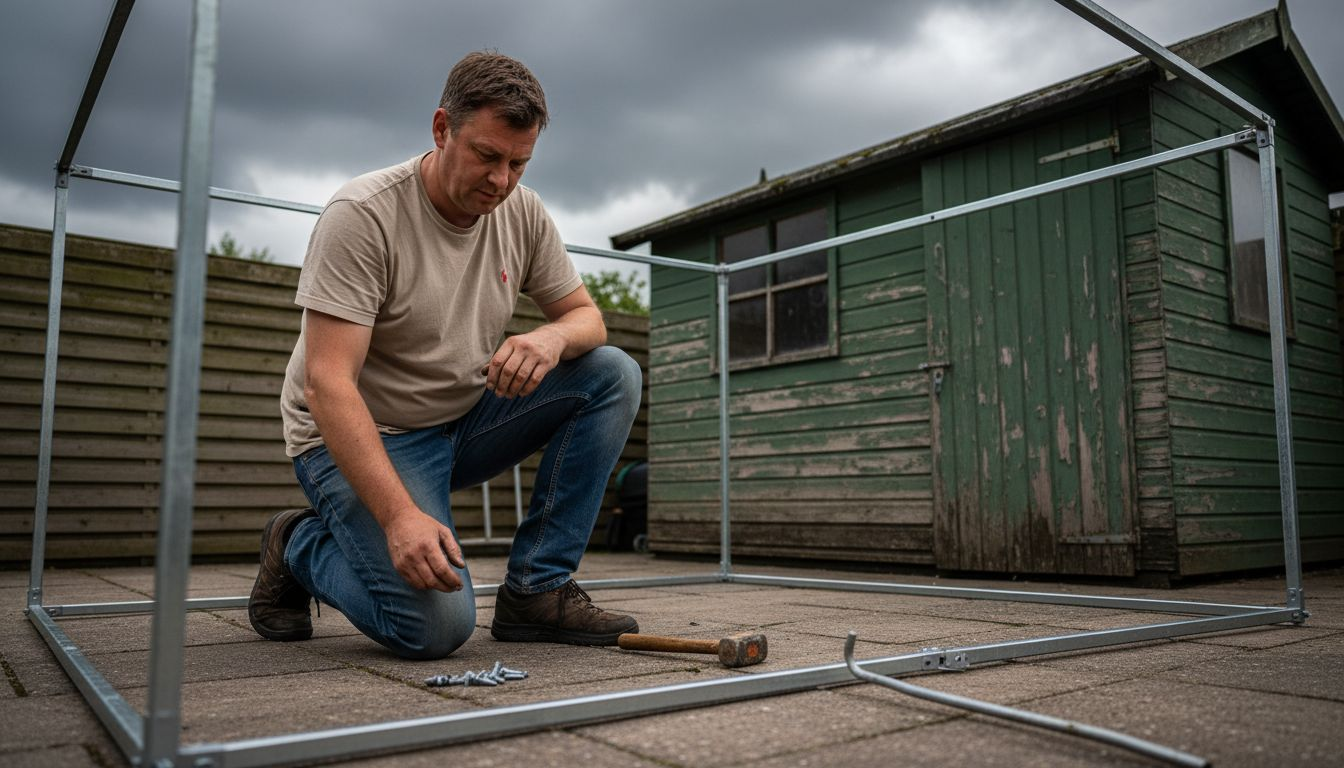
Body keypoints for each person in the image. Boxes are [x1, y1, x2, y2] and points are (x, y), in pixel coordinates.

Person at [247, 51, 642, 660]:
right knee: (434, 629)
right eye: (487, 156)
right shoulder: (363, 215)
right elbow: (327, 384)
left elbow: (589, 318)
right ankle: (298, 542)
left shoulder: (523, 210)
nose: (502, 180)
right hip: (360, 434)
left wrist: (551, 337)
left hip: (461, 423)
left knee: (612, 372)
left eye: (519, 162)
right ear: (441, 129)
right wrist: (400, 516)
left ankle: (538, 589)